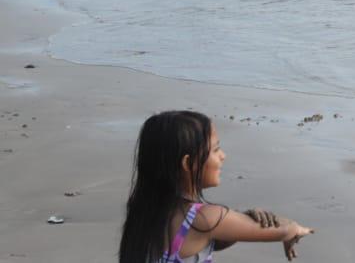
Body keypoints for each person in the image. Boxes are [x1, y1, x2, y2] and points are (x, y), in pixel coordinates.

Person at [117, 111, 314, 263]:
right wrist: (292, 228)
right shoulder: (203, 218)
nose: (223, 156)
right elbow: (288, 230)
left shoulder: (146, 212)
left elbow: (206, 242)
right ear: (188, 164)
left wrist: (242, 219)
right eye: (216, 149)